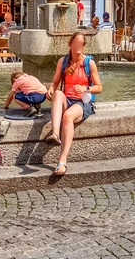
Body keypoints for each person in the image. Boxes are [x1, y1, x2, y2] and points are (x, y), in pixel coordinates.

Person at [42, 31, 100, 175]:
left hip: (83, 102)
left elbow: (99, 87)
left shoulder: (89, 63)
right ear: (71, 44)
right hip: (67, 99)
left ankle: (62, 162)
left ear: (84, 45)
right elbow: (55, 83)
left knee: (67, 116)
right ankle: (55, 134)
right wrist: (50, 89)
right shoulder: (63, 62)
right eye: (76, 42)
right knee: (58, 93)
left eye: (81, 43)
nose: (78, 45)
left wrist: (86, 88)